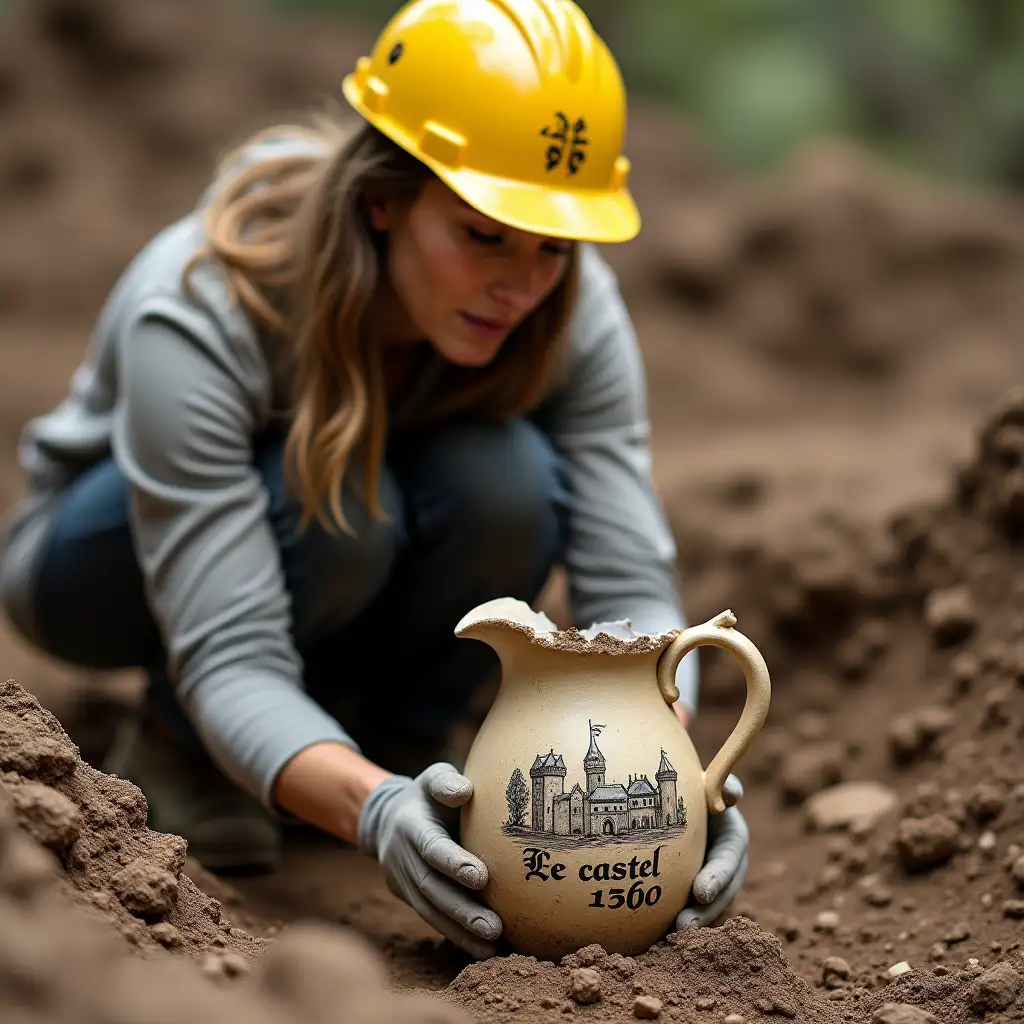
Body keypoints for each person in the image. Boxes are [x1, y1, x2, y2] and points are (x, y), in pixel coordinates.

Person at [0, 0, 749, 959]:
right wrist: (371, 810)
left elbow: (633, 592)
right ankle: (185, 742)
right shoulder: (199, 301)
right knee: (343, 506)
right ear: (383, 198)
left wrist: (687, 781)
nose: (522, 287)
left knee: (507, 482)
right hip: (98, 565)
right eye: (485, 235)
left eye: (553, 244)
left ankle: (396, 729)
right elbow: (234, 651)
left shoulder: (570, 302)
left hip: (355, 528)